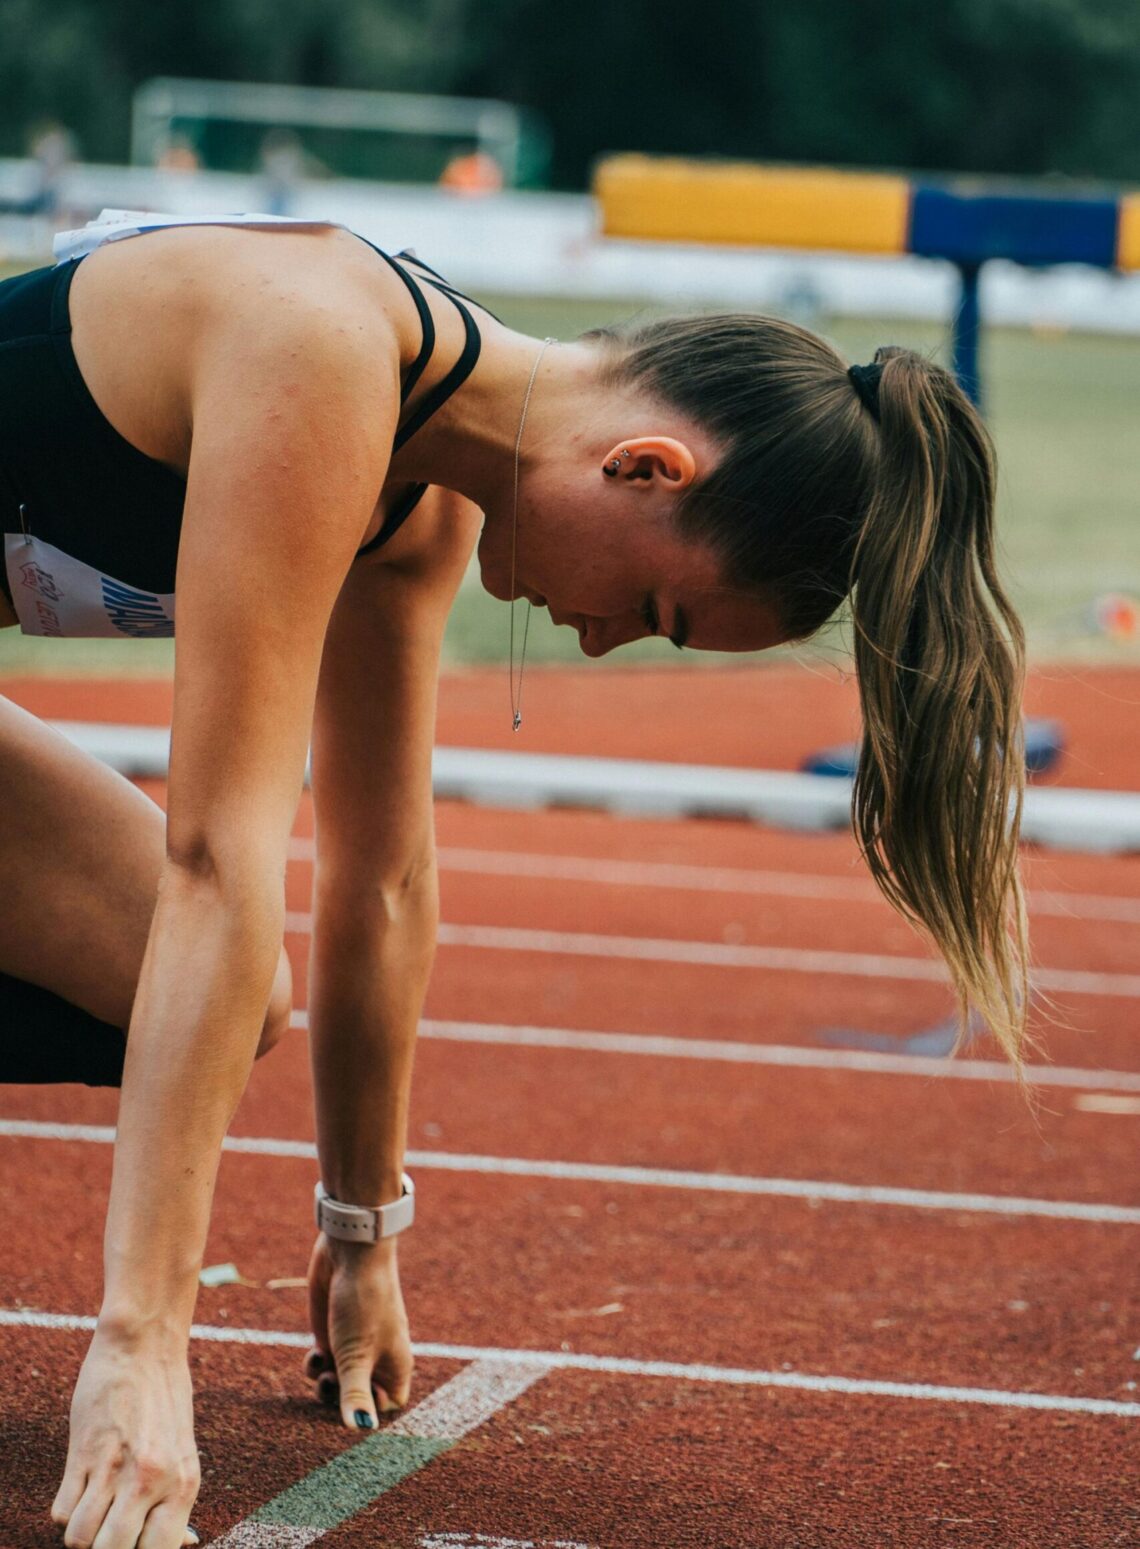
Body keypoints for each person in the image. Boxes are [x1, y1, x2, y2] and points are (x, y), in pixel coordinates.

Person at [0, 210, 1029, 1549]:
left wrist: (363, 1225)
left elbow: (381, 875)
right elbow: (218, 856)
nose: (597, 646)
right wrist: (143, 1341)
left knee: (205, 993)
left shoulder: (414, 498)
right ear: (650, 466)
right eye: (655, 613)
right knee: (202, 929)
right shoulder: (319, 348)